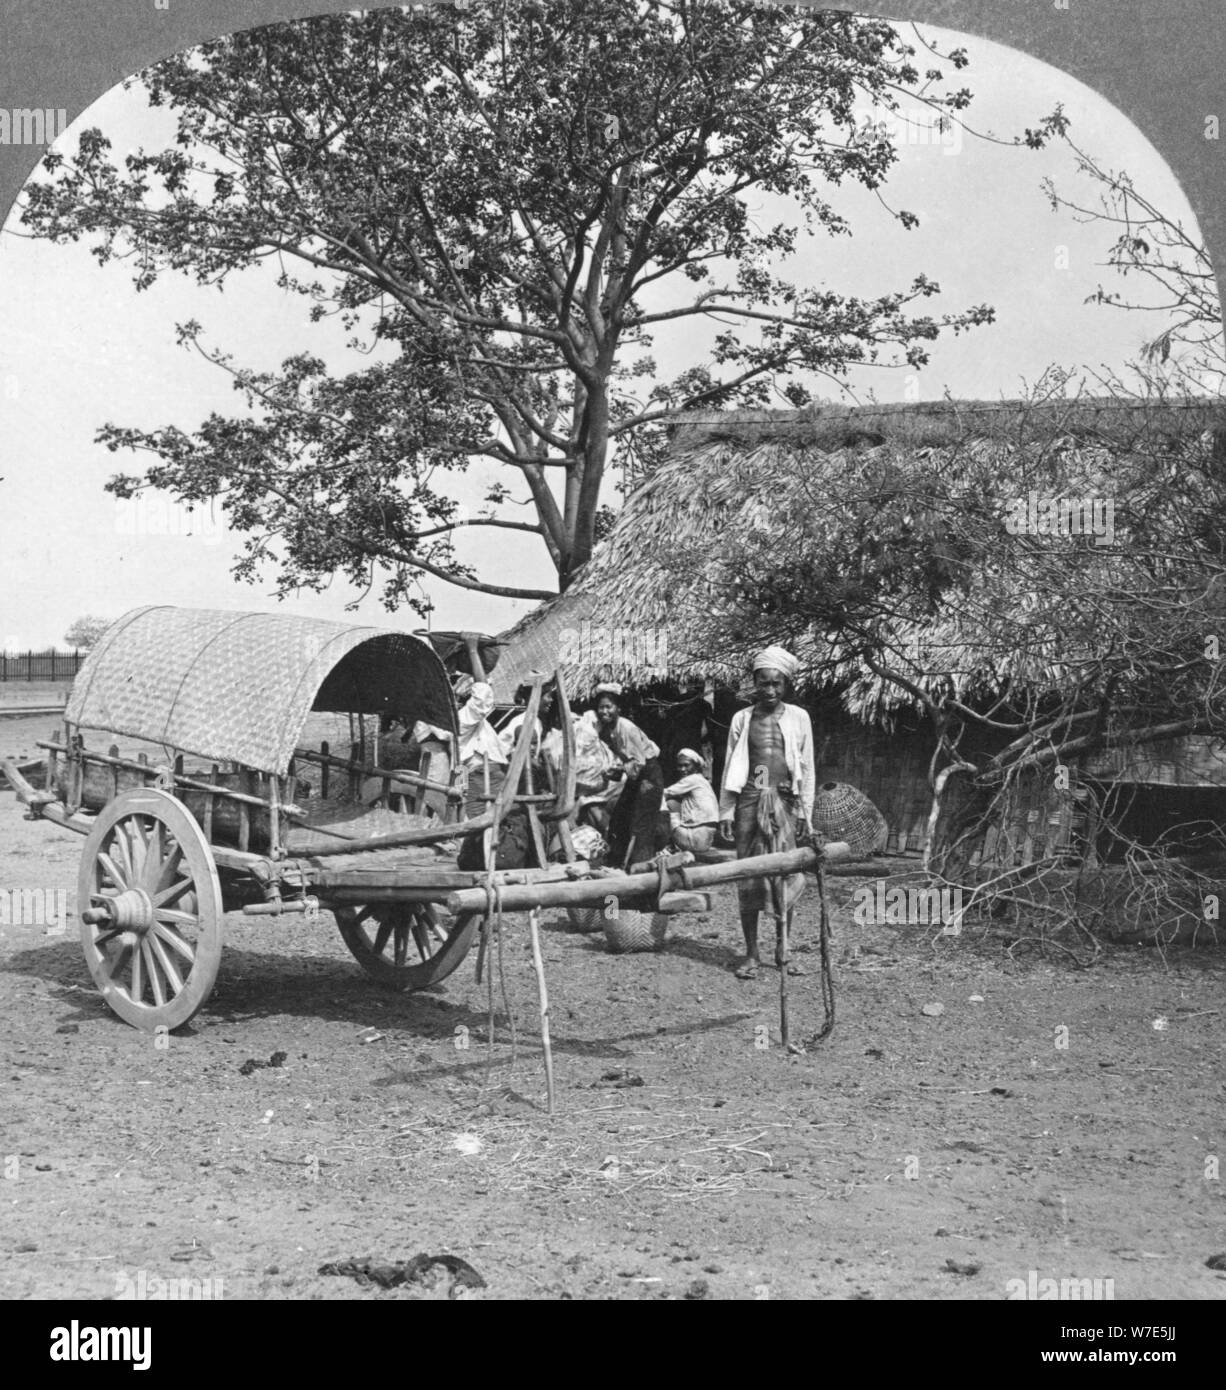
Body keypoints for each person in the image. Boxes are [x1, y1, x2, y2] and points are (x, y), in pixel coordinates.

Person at [718, 646, 816, 981]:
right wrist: (726, 812)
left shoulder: (799, 718)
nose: (770, 690)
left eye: (777, 683)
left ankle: (783, 950)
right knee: (748, 876)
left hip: (785, 802)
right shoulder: (742, 719)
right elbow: (731, 765)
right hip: (749, 799)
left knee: (785, 875)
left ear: (786, 683)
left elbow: (807, 766)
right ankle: (751, 953)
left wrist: (806, 811)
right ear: (754, 683)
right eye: (764, 683)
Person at [578, 683, 665, 866]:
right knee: (619, 819)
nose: (604, 711)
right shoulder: (609, 731)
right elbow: (625, 763)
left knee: (640, 824)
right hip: (637, 776)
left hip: (648, 776)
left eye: (608, 707)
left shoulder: (625, 727)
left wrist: (618, 770)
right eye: (601, 707)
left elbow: (638, 763)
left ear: (618, 708)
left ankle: (641, 867)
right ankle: (617, 863)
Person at [663, 748, 720, 853]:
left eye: (686, 765)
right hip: (704, 839)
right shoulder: (701, 780)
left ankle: (664, 846)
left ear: (696, 766)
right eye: (680, 766)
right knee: (675, 803)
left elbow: (664, 793)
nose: (682, 769)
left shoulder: (692, 779)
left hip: (695, 839)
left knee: (668, 803)